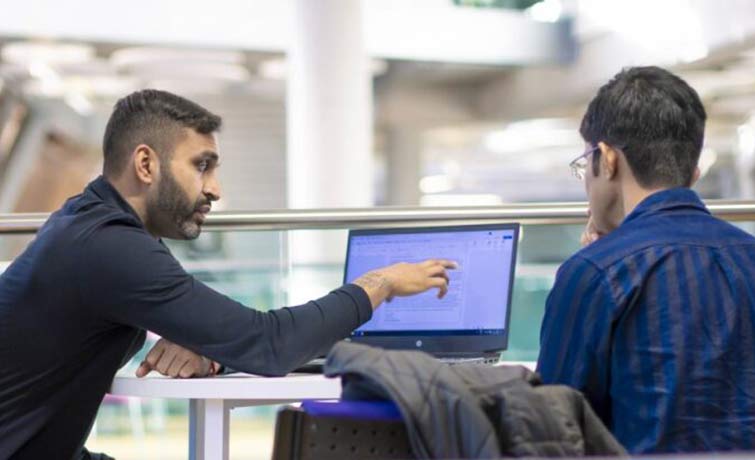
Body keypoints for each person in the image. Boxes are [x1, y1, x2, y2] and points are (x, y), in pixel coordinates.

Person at [0, 89, 456, 460]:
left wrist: (213, 350)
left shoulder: (93, 222)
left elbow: (244, 337)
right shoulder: (107, 246)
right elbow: (267, 343)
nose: (215, 189)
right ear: (145, 164)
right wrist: (379, 285)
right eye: (202, 166)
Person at [536, 66, 755, 454]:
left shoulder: (595, 273)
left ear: (607, 159)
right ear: (692, 173)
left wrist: (599, 260)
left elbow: (549, 429)